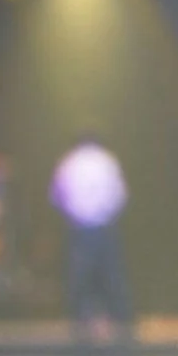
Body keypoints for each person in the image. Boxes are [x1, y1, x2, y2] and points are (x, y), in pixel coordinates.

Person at [49, 132, 131, 338]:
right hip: (104, 226)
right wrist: (108, 214)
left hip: (80, 228)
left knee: (80, 276)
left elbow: (56, 195)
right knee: (111, 275)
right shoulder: (108, 161)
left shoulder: (69, 162)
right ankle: (120, 321)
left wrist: (71, 214)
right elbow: (120, 194)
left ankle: (80, 320)